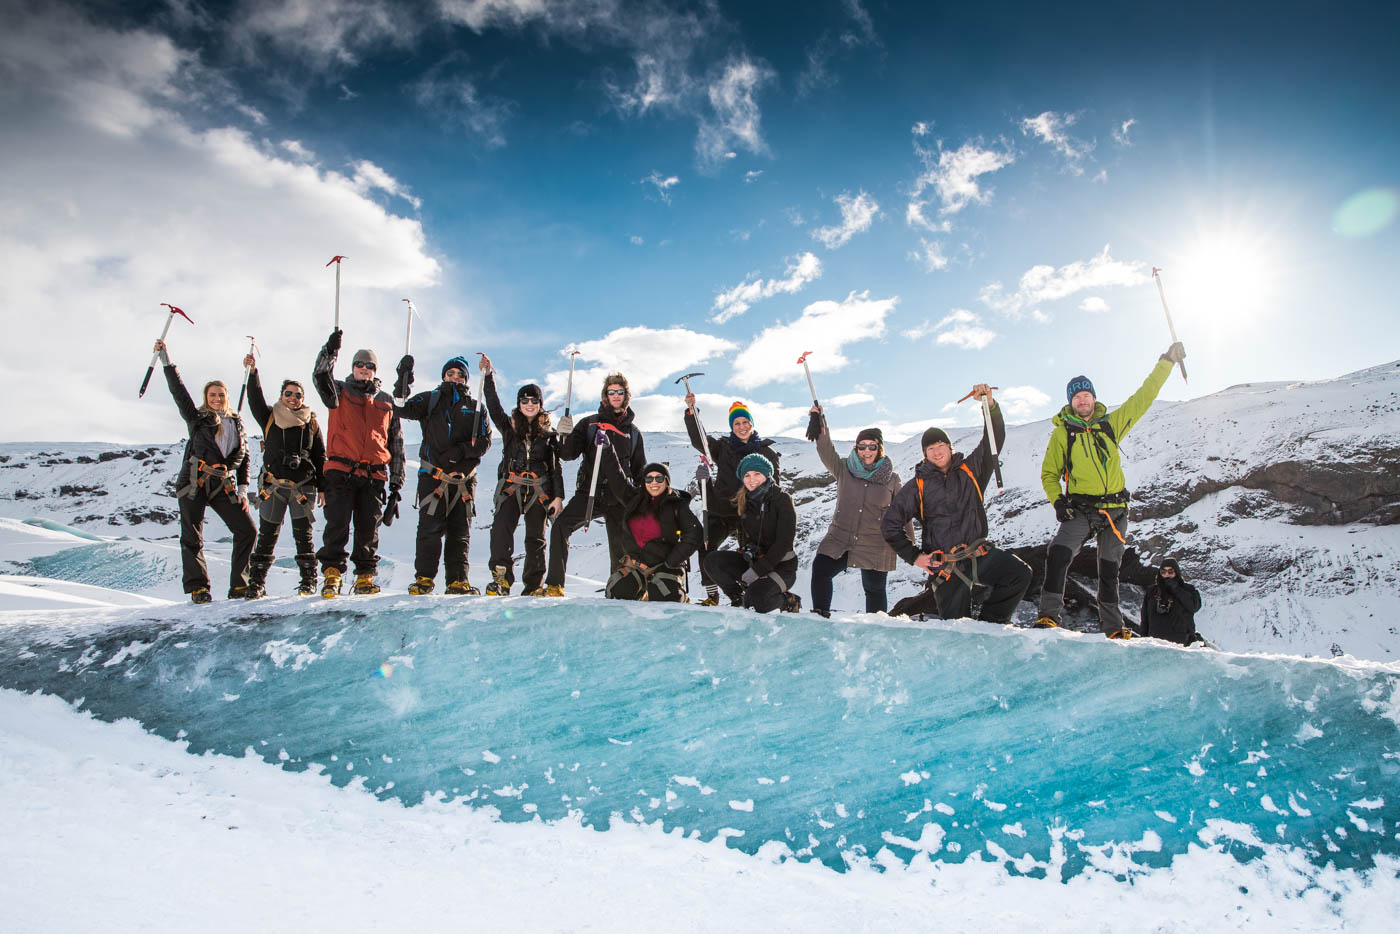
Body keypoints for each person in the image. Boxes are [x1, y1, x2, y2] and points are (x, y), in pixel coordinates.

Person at [1035, 343, 1187, 637]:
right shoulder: (1062, 434)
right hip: (1081, 509)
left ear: (1094, 398)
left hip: (1116, 511)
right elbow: (1049, 474)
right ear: (1070, 401)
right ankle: (1049, 616)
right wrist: (1057, 502)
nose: (1082, 400)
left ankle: (1114, 627)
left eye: (1086, 395)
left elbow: (1143, 398)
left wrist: (1166, 361)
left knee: (1109, 569)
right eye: (1077, 397)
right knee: (1058, 554)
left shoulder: (1111, 425)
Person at [881, 385, 1031, 624]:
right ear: (924, 454)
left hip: (978, 554)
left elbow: (994, 440)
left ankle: (991, 624)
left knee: (1019, 574)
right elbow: (890, 525)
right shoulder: (917, 486)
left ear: (950, 448)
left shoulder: (971, 471)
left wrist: (989, 406)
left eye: (941, 446)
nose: (937, 452)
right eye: (931, 448)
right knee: (957, 628)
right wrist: (915, 556)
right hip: (945, 565)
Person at [153, 339, 258, 604]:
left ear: (227, 397)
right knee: (192, 534)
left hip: (223, 484)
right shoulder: (197, 419)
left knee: (247, 531)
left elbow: (244, 458)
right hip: (194, 481)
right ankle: (199, 588)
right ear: (206, 398)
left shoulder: (236, 423)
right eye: (212, 395)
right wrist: (167, 360)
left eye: (221, 395)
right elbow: (179, 392)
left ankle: (239, 586)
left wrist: (244, 489)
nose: (216, 398)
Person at [311, 329, 405, 597]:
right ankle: (332, 574)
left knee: (368, 528)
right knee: (337, 523)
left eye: (370, 366)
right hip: (341, 470)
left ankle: (364, 576)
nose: (365, 369)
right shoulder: (338, 391)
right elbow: (320, 377)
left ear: (375, 370)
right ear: (353, 367)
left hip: (374, 474)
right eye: (360, 364)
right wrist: (329, 353)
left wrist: (397, 484)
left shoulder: (386, 401)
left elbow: (396, 444)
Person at [543, 373, 647, 596]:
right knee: (561, 527)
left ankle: (617, 591)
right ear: (605, 396)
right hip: (590, 491)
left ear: (626, 395)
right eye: (612, 392)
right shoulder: (589, 424)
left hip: (620, 496)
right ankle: (554, 585)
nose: (616, 396)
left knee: (620, 551)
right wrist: (564, 435)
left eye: (620, 392)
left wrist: (643, 503)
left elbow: (640, 471)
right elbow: (568, 454)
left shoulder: (634, 433)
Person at [396, 355, 493, 595]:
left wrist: (460, 453)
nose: (455, 377)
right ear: (444, 376)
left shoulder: (476, 406)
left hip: (463, 479)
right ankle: (424, 579)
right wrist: (403, 379)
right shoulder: (430, 399)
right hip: (432, 476)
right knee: (429, 529)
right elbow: (400, 407)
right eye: (451, 373)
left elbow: (486, 441)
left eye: (460, 374)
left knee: (460, 531)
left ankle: (458, 581)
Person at [682, 396, 782, 606]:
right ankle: (712, 594)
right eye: (736, 423)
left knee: (749, 555)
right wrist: (692, 413)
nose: (741, 426)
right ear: (732, 427)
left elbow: (775, 485)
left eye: (745, 422)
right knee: (706, 547)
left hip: (750, 512)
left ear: (752, 424)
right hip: (721, 510)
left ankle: (749, 594)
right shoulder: (723, 447)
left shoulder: (766, 452)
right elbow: (700, 440)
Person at [804, 409, 905, 616]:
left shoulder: (892, 479)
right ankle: (820, 617)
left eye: (872, 446)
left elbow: (902, 513)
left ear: (879, 449)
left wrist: (910, 549)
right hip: (841, 537)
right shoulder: (843, 469)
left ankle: (876, 630)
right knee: (821, 570)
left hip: (875, 542)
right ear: (856, 448)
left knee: (874, 589)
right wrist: (820, 419)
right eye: (862, 446)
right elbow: (826, 450)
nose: (866, 450)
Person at [479, 355, 564, 596]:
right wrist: (488, 377)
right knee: (501, 530)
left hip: (540, 490)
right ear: (519, 403)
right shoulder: (509, 427)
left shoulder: (549, 435)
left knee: (536, 539)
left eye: (534, 400)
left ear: (540, 403)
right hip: (511, 487)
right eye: (524, 400)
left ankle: (533, 586)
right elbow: (493, 405)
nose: (529, 403)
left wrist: (558, 497)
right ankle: (501, 580)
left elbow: (555, 468)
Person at [243, 354, 325, 597]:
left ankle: (308, 582)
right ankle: (256, 583)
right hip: (273, 485)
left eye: (298, 394)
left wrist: (322, 487)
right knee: (267, 534)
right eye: (288, 393)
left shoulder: (311, 422)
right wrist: (253, 372)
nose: (293, 398)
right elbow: (254, 398)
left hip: (304, 486)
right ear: (281, 396)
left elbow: (320, 455)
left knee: (304, 536)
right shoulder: (269, 416)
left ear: (303, 398)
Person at [703, 453, 798, 613]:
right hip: (753, 563)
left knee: (756, 603)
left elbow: (784, 542)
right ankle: (737, 598)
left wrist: (757, 571)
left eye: (757, 474)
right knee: (712, 561)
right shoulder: (744, 499)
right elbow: (716, 507)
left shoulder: (782, 500)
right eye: (747, 475)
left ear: (767, 474)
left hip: (781, 567)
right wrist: (705, 482)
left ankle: (787, 600)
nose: (752, 479)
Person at [599, 459, 702, 602]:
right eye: (649, 478)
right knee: (617, 594)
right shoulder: (634, 499)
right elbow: (617, 478)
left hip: (665, 566)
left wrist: (671, 562)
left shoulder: (677, 505)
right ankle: (641, 594)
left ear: (666, 481)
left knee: (665, 598)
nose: (654, 482)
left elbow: (695, 533)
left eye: (659, 478)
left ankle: (681, 597)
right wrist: (606, 448)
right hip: (635, 565)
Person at [1140, 558, 1204, 645]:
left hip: (1181, 643)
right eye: (1163, 572)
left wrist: (1177, 589)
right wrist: (1143, 640)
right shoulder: (1152, 591)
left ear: (1176, 572)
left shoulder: (1188, 589)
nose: (1167, 575)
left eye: (1170, 572)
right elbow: (1145, 618)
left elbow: (1193, 607)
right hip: (1155, 643)